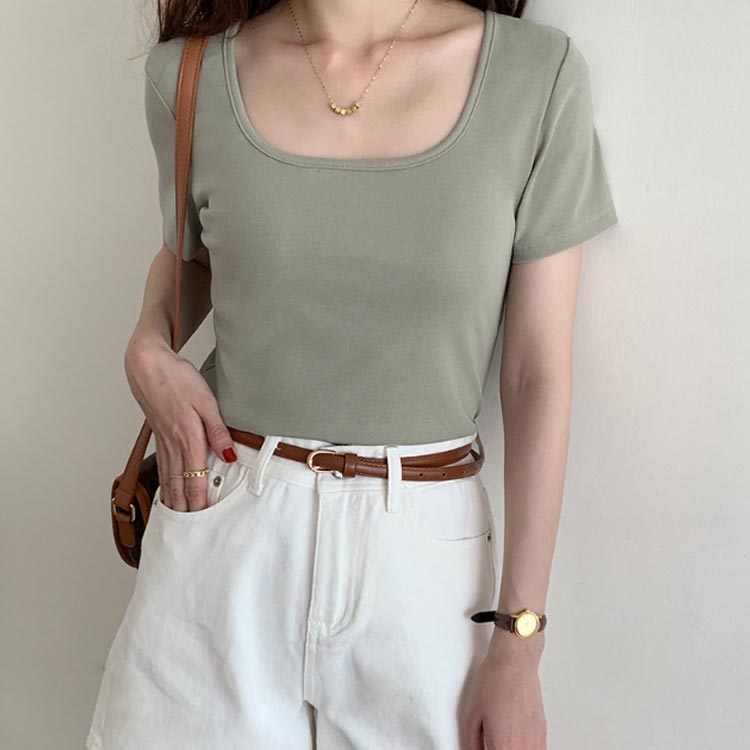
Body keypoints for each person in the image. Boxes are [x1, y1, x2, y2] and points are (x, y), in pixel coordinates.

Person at [87, 0, 618, 748]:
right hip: (222, 526)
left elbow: (536, 376)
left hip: (423, 575)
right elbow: (193, 255)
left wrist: (520, 641)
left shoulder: (536, 76)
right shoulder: (190, 77)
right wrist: (147, 345)